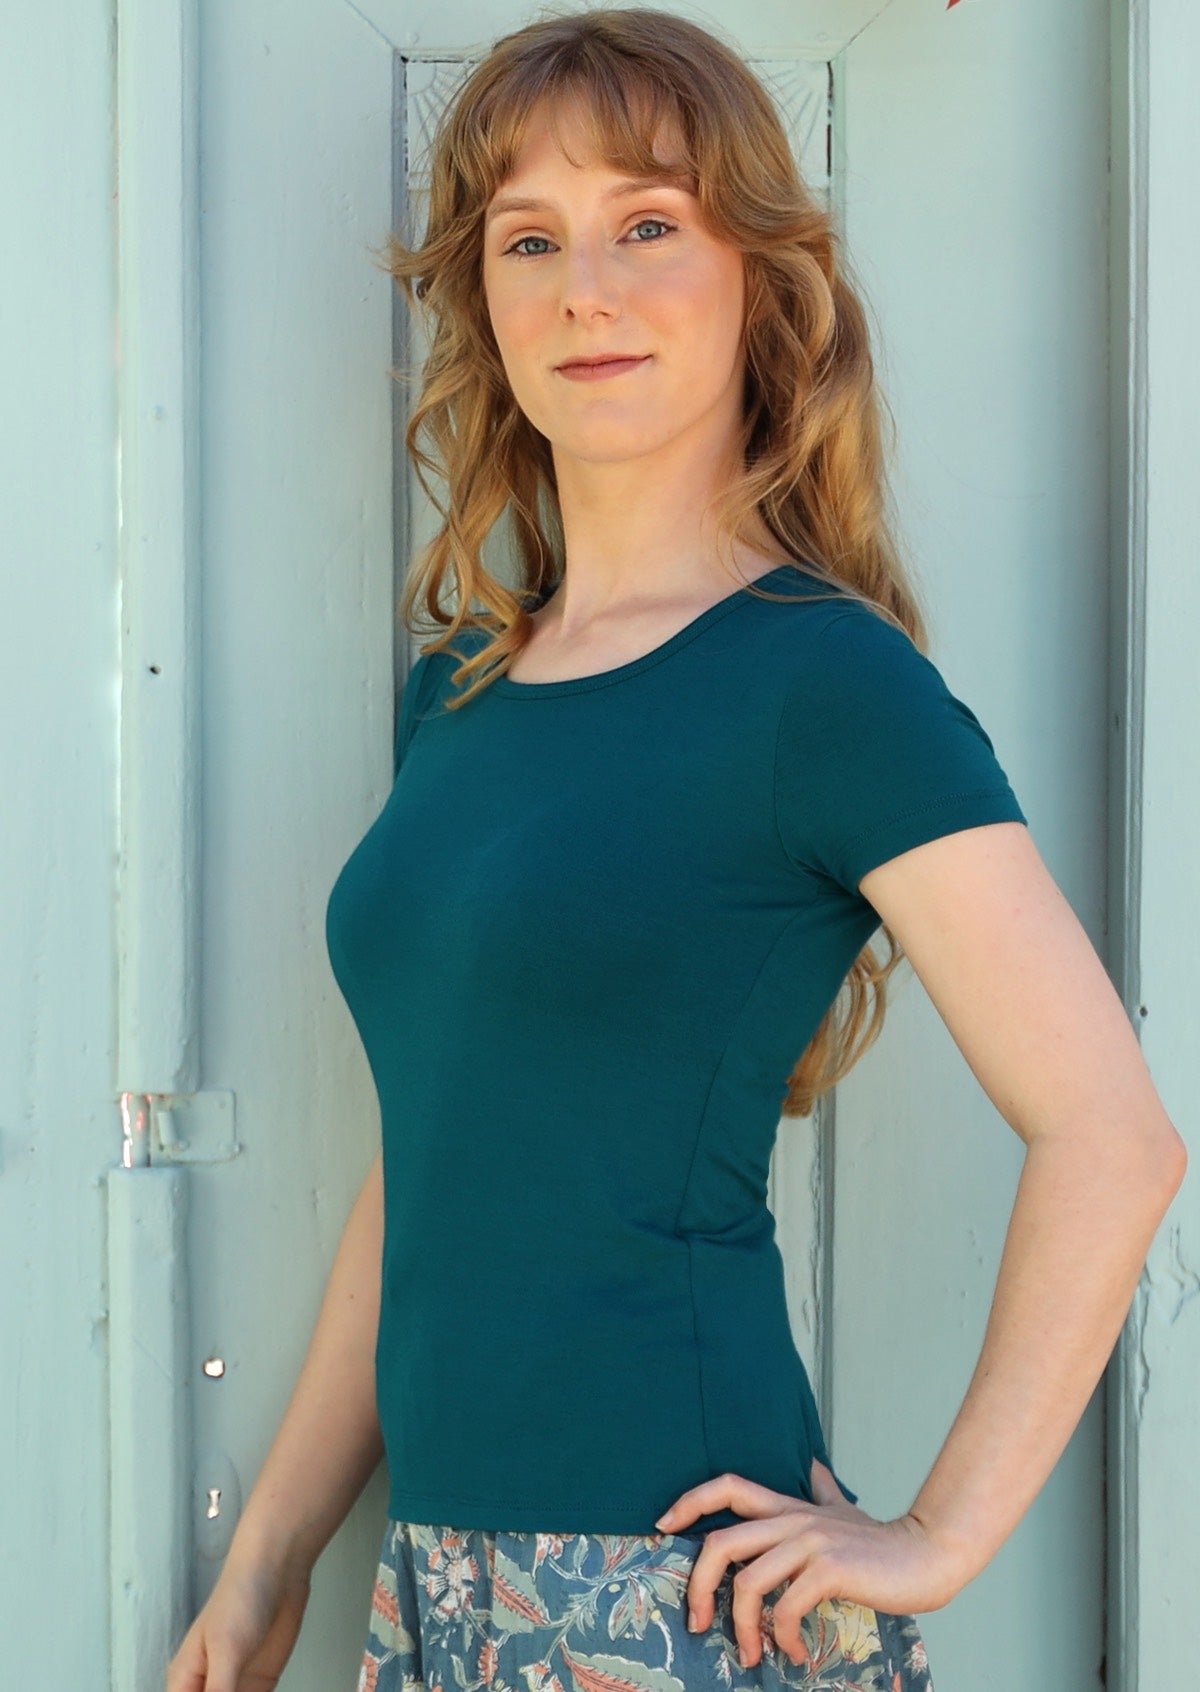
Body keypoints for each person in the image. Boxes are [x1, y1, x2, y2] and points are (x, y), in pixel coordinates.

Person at [166, 9, 1187, 1692]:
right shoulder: (465, 693)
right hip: (442, 1588)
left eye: (648, 223)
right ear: (483, 303)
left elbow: (1114, 1134)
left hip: (674, 1601)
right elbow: (433, 1161)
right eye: (529, 240)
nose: (587, 287)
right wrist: (272, 1561)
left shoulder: (822, 680)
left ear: (757, 279)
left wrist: (937, 1535)